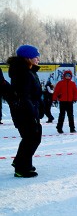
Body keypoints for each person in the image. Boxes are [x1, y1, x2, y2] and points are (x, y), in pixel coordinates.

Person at [6, 44, 44, 177]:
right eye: (35, 56)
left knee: (32, 137)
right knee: (31, 138)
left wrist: (40, 106)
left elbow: (35, 93)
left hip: (28, 109)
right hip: (24, 111)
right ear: (28, 57)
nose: (38, 58)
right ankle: (22, 168)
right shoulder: (23, 72)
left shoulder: (29, 71)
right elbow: (24, 95)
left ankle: (21, 162)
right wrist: (32, 111)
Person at [52, 69, 77, 134]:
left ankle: (72, 128)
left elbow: (75, 92)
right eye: (66, 75)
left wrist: (74, 99)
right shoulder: (60, 83)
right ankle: (59, 128)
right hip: (62, 101)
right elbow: (56, 92)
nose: (67, 77)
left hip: (70, 102)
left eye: (69, 76)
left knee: (70, 116)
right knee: (62, 115)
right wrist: (54, 99)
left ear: (71, 76)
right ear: (64, 76)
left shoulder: (72, 84)